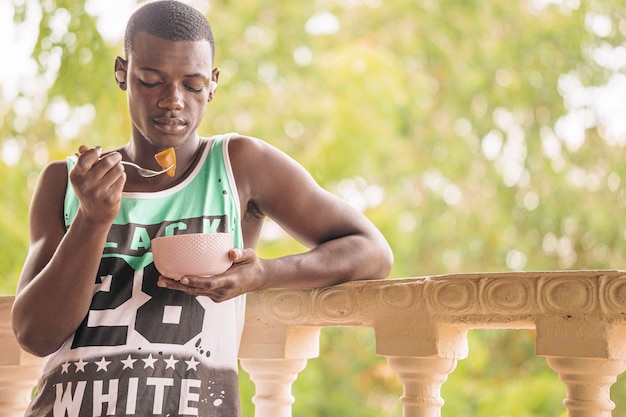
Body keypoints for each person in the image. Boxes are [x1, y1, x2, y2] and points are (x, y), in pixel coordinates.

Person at [11, 1, 393, 416]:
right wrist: (92, 219)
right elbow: (35, 335)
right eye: (151, 81)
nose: (173, 101)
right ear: (122, 73)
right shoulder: (69, 181)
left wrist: (263, 274)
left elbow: (371, 251)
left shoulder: (239, 165)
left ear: (213, 83)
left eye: (192, 85)